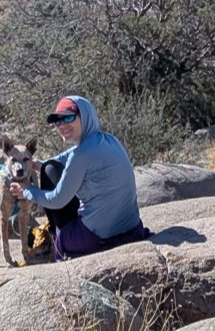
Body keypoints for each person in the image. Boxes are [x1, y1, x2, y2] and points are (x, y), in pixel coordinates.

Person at [9, 95, 147, 261]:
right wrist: (37, 164)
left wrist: (27, 191)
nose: (62, 125)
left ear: (85, 116)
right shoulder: (110, 140)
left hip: (97, 237)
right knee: (49, 166)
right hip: (130, 228)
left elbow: (57, 200)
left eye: (68, 117)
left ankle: (56, 241)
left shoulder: (80, 155)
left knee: (49, 171)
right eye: (58, 121)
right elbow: (61, 159)